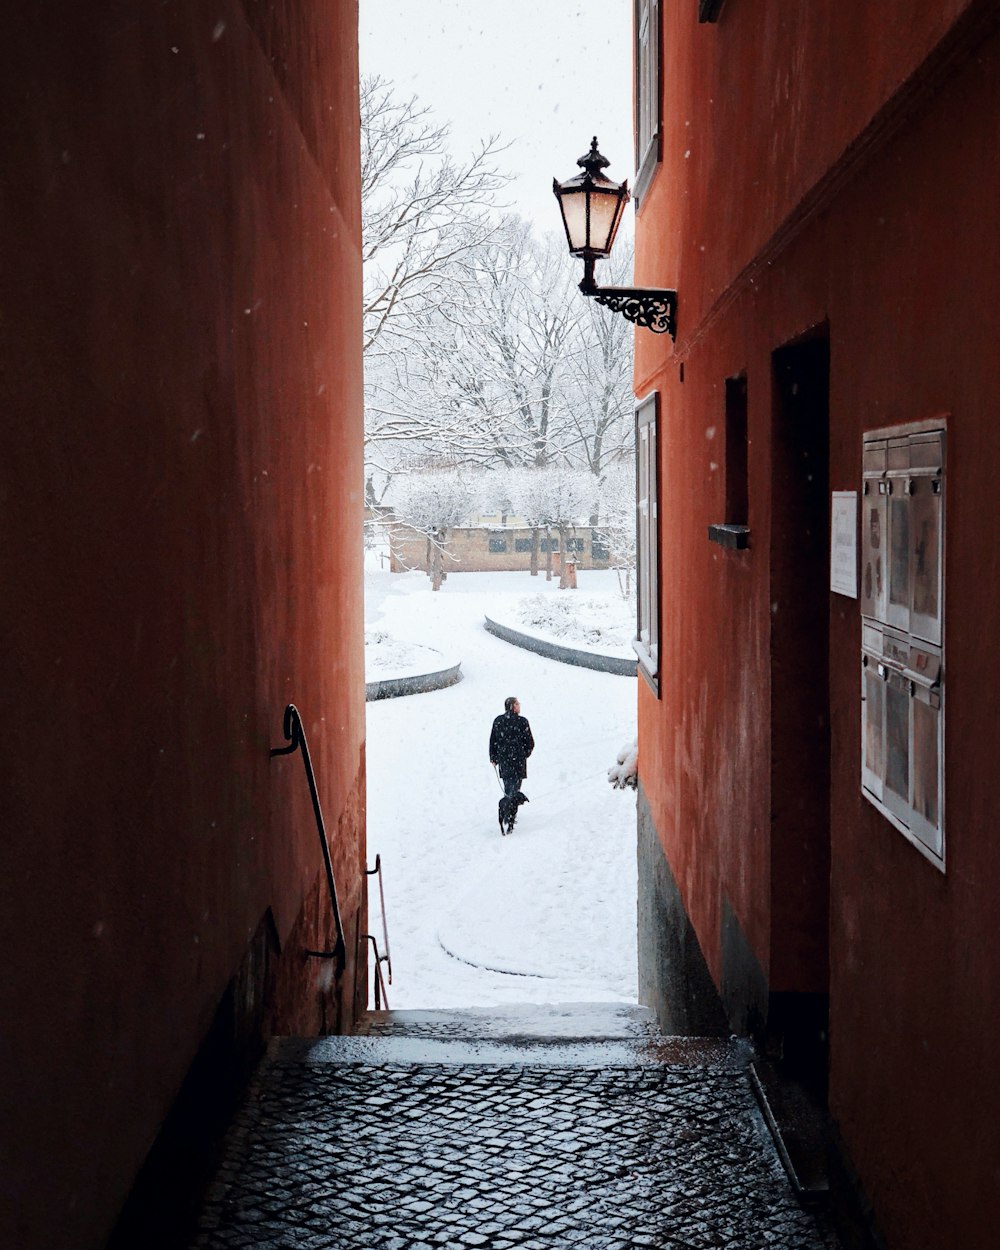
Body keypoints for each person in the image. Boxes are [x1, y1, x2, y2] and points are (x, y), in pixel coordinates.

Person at [489, 696, 534, 800]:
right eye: (518, 704)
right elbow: (530, 742)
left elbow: (493, 741)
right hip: (518, 760)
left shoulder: (498, 721)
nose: (519, 706)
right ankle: (510, 811)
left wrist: (493, 757)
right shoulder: (522, 722)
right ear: (513, 706)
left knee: (508, 786)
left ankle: (507, 810)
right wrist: (524, 753)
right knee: (515, 788)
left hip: (504, 760)